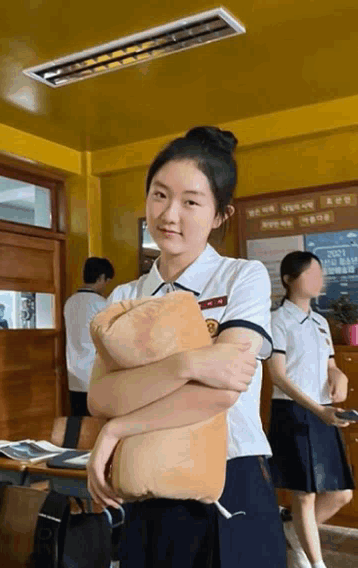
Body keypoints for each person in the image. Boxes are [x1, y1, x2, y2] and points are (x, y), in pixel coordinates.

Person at [86, 126, 287, 568]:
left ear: (219, 215)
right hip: (144, 477)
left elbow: (224, 389)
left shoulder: (241, 277)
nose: (169, 214)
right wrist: (189, 364)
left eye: (191, 201)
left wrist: (120, 428)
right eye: (159, 195)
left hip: (231, 475)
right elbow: (101, 398)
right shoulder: (124, 297)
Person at [266, 251, 355, 568]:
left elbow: (330, 363)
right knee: (303, 494)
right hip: (293, 412)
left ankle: (292, 531)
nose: (319, 280)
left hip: (324, 413)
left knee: (342, 493)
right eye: (311, 273)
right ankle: (314, 562)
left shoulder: (320, 321)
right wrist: (317, 409)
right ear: (290, 280)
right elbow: (277, 375)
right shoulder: (277, 320)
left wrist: (338, 374)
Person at [63, 257, 115, 417]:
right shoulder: (101, 304)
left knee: (77, 420)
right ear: (101, 277)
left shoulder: (70, 302)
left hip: (73, 372)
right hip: (95, 374)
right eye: (107, 281)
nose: (106, 286)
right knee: (97, 422)